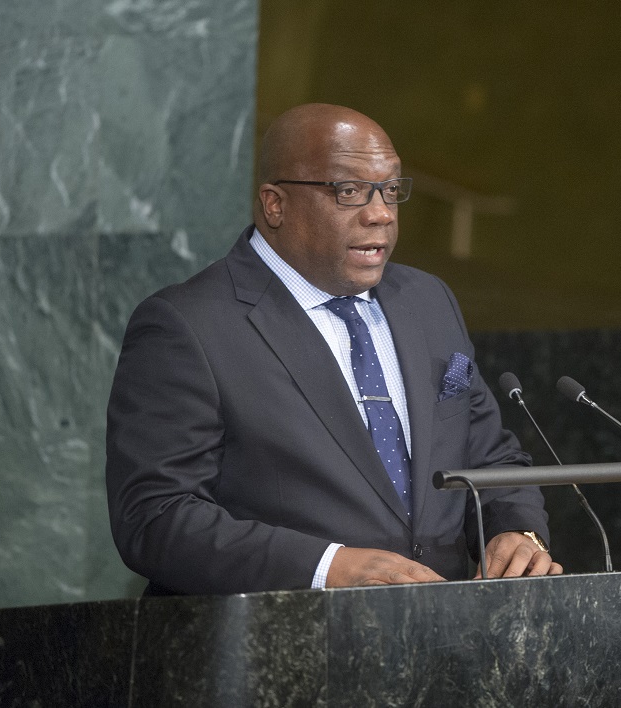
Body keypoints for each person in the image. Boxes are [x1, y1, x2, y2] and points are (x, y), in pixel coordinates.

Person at [105, 103, 561, 594]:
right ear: (275, 204)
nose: (381, 214)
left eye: (390, 190)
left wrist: (514, 529)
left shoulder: (428, 301)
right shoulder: (188, 325)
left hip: (443, 638)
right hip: (279, 646)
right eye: (348, 192)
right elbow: (155, 517)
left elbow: (488, 457)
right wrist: (328, 568)